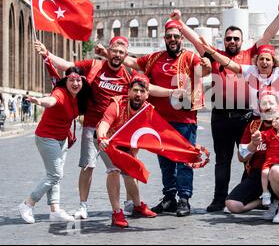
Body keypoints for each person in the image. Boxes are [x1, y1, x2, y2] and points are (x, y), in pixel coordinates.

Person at [34, 37, 177, 220]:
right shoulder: (94, 65)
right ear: (108, 51)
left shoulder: (127, 75)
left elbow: (149, 88)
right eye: (114, 51)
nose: (117, 55)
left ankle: (131, 203)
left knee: (126, 167)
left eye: (121, 53)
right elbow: (68, 66)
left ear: (125, 55)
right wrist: (47, 54)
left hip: (116, 130)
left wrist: (171, 92)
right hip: (92, 126)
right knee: (87, 166)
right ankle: (83, 206)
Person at [171, 4, 279, 212]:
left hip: (245, 117)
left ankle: (254, 195)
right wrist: (179, 22)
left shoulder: (250, 55)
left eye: (236, 38)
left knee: (251, 158)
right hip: (221, 117)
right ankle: (219, 199)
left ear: (242, 41)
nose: (232, 41)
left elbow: (268, 34)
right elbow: (196, 40)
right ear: (224, 40)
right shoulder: (214, 54)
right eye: (229, 38)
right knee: (222, 161)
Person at [111, 20, 212, 217]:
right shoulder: (155, 58)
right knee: (165, 161)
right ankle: (169, 198)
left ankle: (184, 198)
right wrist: (113, 54)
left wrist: (207, 63)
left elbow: (205, 70)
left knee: (184, 160)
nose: (172, 39)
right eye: (169, 36)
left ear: (181, 38)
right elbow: (132, 62)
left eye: (176, 36)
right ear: (164, 38)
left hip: (185, 120)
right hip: (160, 121)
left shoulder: (190, 57)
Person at [18, 67, 90, 224]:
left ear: (83, 81)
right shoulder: (60, 92)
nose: (75, 83)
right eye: (71, 80)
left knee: (55, 174)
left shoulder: (78, 97)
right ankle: (28, 204)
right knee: (55, 174)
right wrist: (40, 101)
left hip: (62, 139)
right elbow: (51, 101)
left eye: (78, 80)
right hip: (46, 137)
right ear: (66, 81)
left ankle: (55, 211)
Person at [225, 90, 279, 224]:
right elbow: (241, 157)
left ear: (278, 106)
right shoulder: (253, 127)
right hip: (258, 174)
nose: (268, 106)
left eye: (271, 103)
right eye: (264, 103)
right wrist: (253, 144)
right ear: (260, 108)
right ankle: (270, 202)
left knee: (276, 171)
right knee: (233, 204)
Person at [97, 74, 159, 227]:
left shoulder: (148, 110)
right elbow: (103, 124)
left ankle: (137, 205)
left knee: (130, 173)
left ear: (147, 95)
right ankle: (116, 213)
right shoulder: (117, 104)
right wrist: (102, 138)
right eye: (135, 90)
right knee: (114, 170)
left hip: (125, 143)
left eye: (142, 91)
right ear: (129, 91)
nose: (138, 94)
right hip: (107, 140)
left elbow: (143, 135)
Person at [201, 43, 279, 117]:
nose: (264, 62)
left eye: (268, 59)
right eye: (261, 59)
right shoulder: (250, 71)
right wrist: (212, 52)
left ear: (273, 62)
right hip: (258, 120)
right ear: (256, 61)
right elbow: (229, 63)